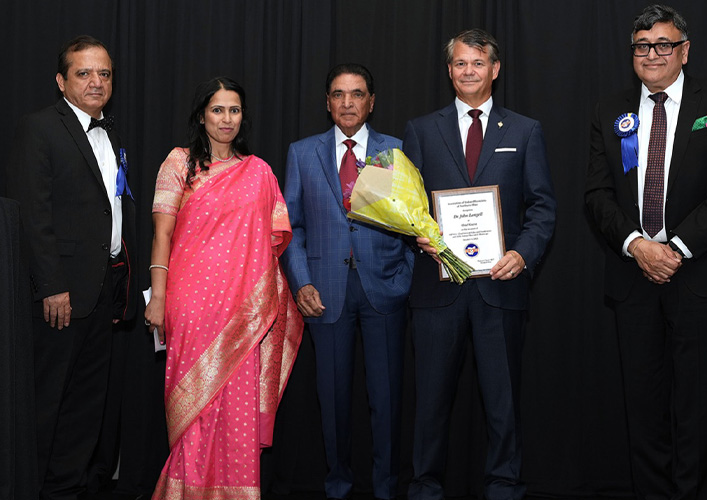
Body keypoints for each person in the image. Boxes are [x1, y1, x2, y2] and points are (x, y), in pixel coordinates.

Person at [584, 5, 707, 500]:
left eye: (663, 45)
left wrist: (674, 248)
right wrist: (637, 246)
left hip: (703, 278)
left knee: (699, 411)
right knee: (643, 407)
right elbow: (596, 194)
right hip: (634, 278)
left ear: (684, 50)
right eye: (642, 46)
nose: (651, 54)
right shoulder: (608, 109)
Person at [403, 29, 556, 500]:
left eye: (477, 63)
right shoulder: (421, 130)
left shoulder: (526, 130)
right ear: (449, 71)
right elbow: (406, 205)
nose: (468, 71)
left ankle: (505, 488)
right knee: (429, 404)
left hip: (500, 286)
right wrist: (421, 236)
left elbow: (542, 207)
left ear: (495, 69)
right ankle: (425, 488)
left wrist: (522, 253)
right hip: (437, 288)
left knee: (503, 405)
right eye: (460, 63)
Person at [144, 76, 304, 498]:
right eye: (218, 109)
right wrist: (158, 296)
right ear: (202, 115)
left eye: (234, 110)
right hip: (191, 302)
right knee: (195, 406)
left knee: (236, 408)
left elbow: (273, 241)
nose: (226, 118)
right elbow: (161, 234)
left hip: (243, 311)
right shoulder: (179, 163)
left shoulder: (259, 172)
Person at [6, 35, 138, 500]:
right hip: (60, 296)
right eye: (84, 73)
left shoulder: (112, 133)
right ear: (62, 81)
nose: (96, 82)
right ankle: (34, 488)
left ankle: (68, 488)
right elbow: (32, 216)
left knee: (87, 404)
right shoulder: (38, 128)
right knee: (49, 404)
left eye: (103, 73)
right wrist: (51, 286)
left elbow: (110, 213)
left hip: (104, 292)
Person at [280, 63, 414, 500]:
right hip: (325, 293)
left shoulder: (394, 149)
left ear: (371, 101)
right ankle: (337, 486)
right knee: (332, 401)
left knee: (387, 402)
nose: (347, 103)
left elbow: (414, 219)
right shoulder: (303, 153)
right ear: (327, 103)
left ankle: (386, 489)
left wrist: (405, 277)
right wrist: (300, 282)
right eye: (339, 94)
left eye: (357, 94)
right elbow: (291, 226)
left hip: (384, 291)